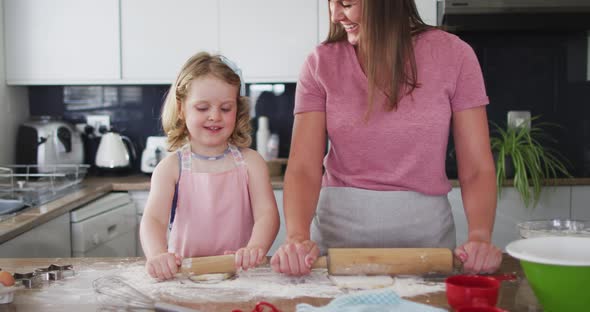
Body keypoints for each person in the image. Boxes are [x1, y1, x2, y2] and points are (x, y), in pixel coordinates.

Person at [270, 0, 502, 276]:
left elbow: (476, 167)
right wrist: (297, 236)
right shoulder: (320, 63)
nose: (335, 15)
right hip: (337, 251)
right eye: (331, 3)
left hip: (426, 250)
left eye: (346, 3)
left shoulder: (455, 55)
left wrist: (479, 236)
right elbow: (303, 168)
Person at [140, 52, 279, 280]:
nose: (215, 116)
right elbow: (153, 220)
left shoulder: (251, 163)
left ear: (238, 110)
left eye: (225, 108)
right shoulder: (171, 168)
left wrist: (255, 247)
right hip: (185, 275)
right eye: (203, 108)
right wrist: (157, 254)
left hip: (241, 275)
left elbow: (267, 214)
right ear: (182, 108)